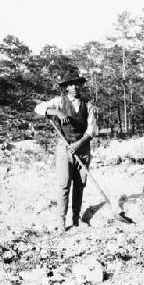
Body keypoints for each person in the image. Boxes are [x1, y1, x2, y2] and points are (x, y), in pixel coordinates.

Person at [35, 69, 97, 233]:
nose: (74, 87)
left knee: (80, 185)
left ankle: (76, 220)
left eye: (77, 83)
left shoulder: (88, 105)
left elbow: (92, 130)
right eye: (71, 84)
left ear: (80, 85)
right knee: (64, 185)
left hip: (82, 147)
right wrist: (55, 111)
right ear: (66, 87)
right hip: (64, 148)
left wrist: (79, 143)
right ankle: (61, 222)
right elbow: (39, 108)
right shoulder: (59, 102)